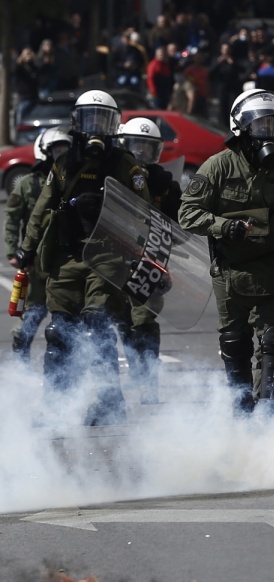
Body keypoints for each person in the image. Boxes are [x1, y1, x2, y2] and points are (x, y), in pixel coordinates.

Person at [14, 90, 151, 425]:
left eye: (103, 120)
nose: (96, 128)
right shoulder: (63, 165)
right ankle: (57, 407)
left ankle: (109, 403)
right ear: (77, 123)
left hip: (106, 256)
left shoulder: (125, 166)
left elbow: (143, 214)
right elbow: (42, 207)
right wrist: (27, 249)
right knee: (59, 331)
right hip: (65, 256)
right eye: (89, 119)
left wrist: (109, 210)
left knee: (98, 326)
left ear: (115, 125)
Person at [178, 89, 274, 415]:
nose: (266, 133)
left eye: (272, 125)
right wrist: (222, 226)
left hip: (271, 268)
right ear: (242, 128)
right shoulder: (217, 167)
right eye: (260, 126)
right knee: (235, 341)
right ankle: (241, 411)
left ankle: (267, 413)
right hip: (230, 270)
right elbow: (187, 214)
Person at [115, 117, 182, 403]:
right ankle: (134, 373)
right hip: (114, 261)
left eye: (147, 147)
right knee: (120, 322)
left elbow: (179, 228)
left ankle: (148, 384)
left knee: (143, 322)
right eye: (135, 146)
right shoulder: (113, 175)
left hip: (148, 262)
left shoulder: (165, 185)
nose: (140, 153)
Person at [4, 127, 71, 362]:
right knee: (32, 313)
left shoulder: (72, 182)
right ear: (45, 150)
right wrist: (13, 251)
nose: (61, 154)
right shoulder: (28, 185)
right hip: (35, 261)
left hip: (64, 260)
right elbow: (12, 218)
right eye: (57, 149)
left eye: (65, 149)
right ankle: (20, 363)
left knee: (66, 317)